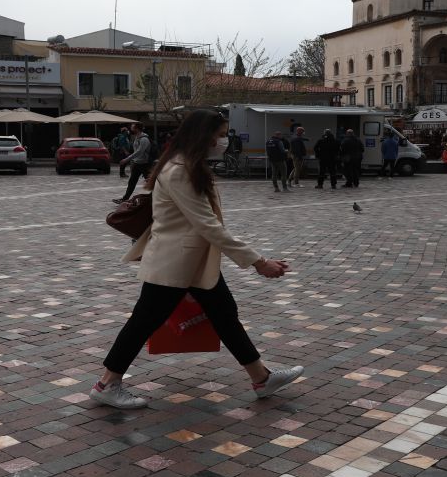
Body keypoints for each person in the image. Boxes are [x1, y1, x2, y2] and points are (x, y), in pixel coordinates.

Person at [91, 109, 303, 409]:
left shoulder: (189, 166)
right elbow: (207, 225)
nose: (223, 141)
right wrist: (258, 262)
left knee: (224, 314)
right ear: (202, 136)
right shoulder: (179, 170)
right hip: (174, 264)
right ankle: (106, 383)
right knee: (143, 322)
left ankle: (261, 378)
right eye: (219, 135)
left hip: (190, 263)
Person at [116, 124, 154, 203]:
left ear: (137, 129)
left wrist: (127, 159)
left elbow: (139, 152)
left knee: (150, 182)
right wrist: (133, 160)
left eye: (132, 127)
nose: (131, 129)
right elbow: (136, 151)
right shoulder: (137, 138)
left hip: (145, 164)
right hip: (137, 163)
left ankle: (157, 196)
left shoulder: (144, 139)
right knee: (132, 182)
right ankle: (125, 198)